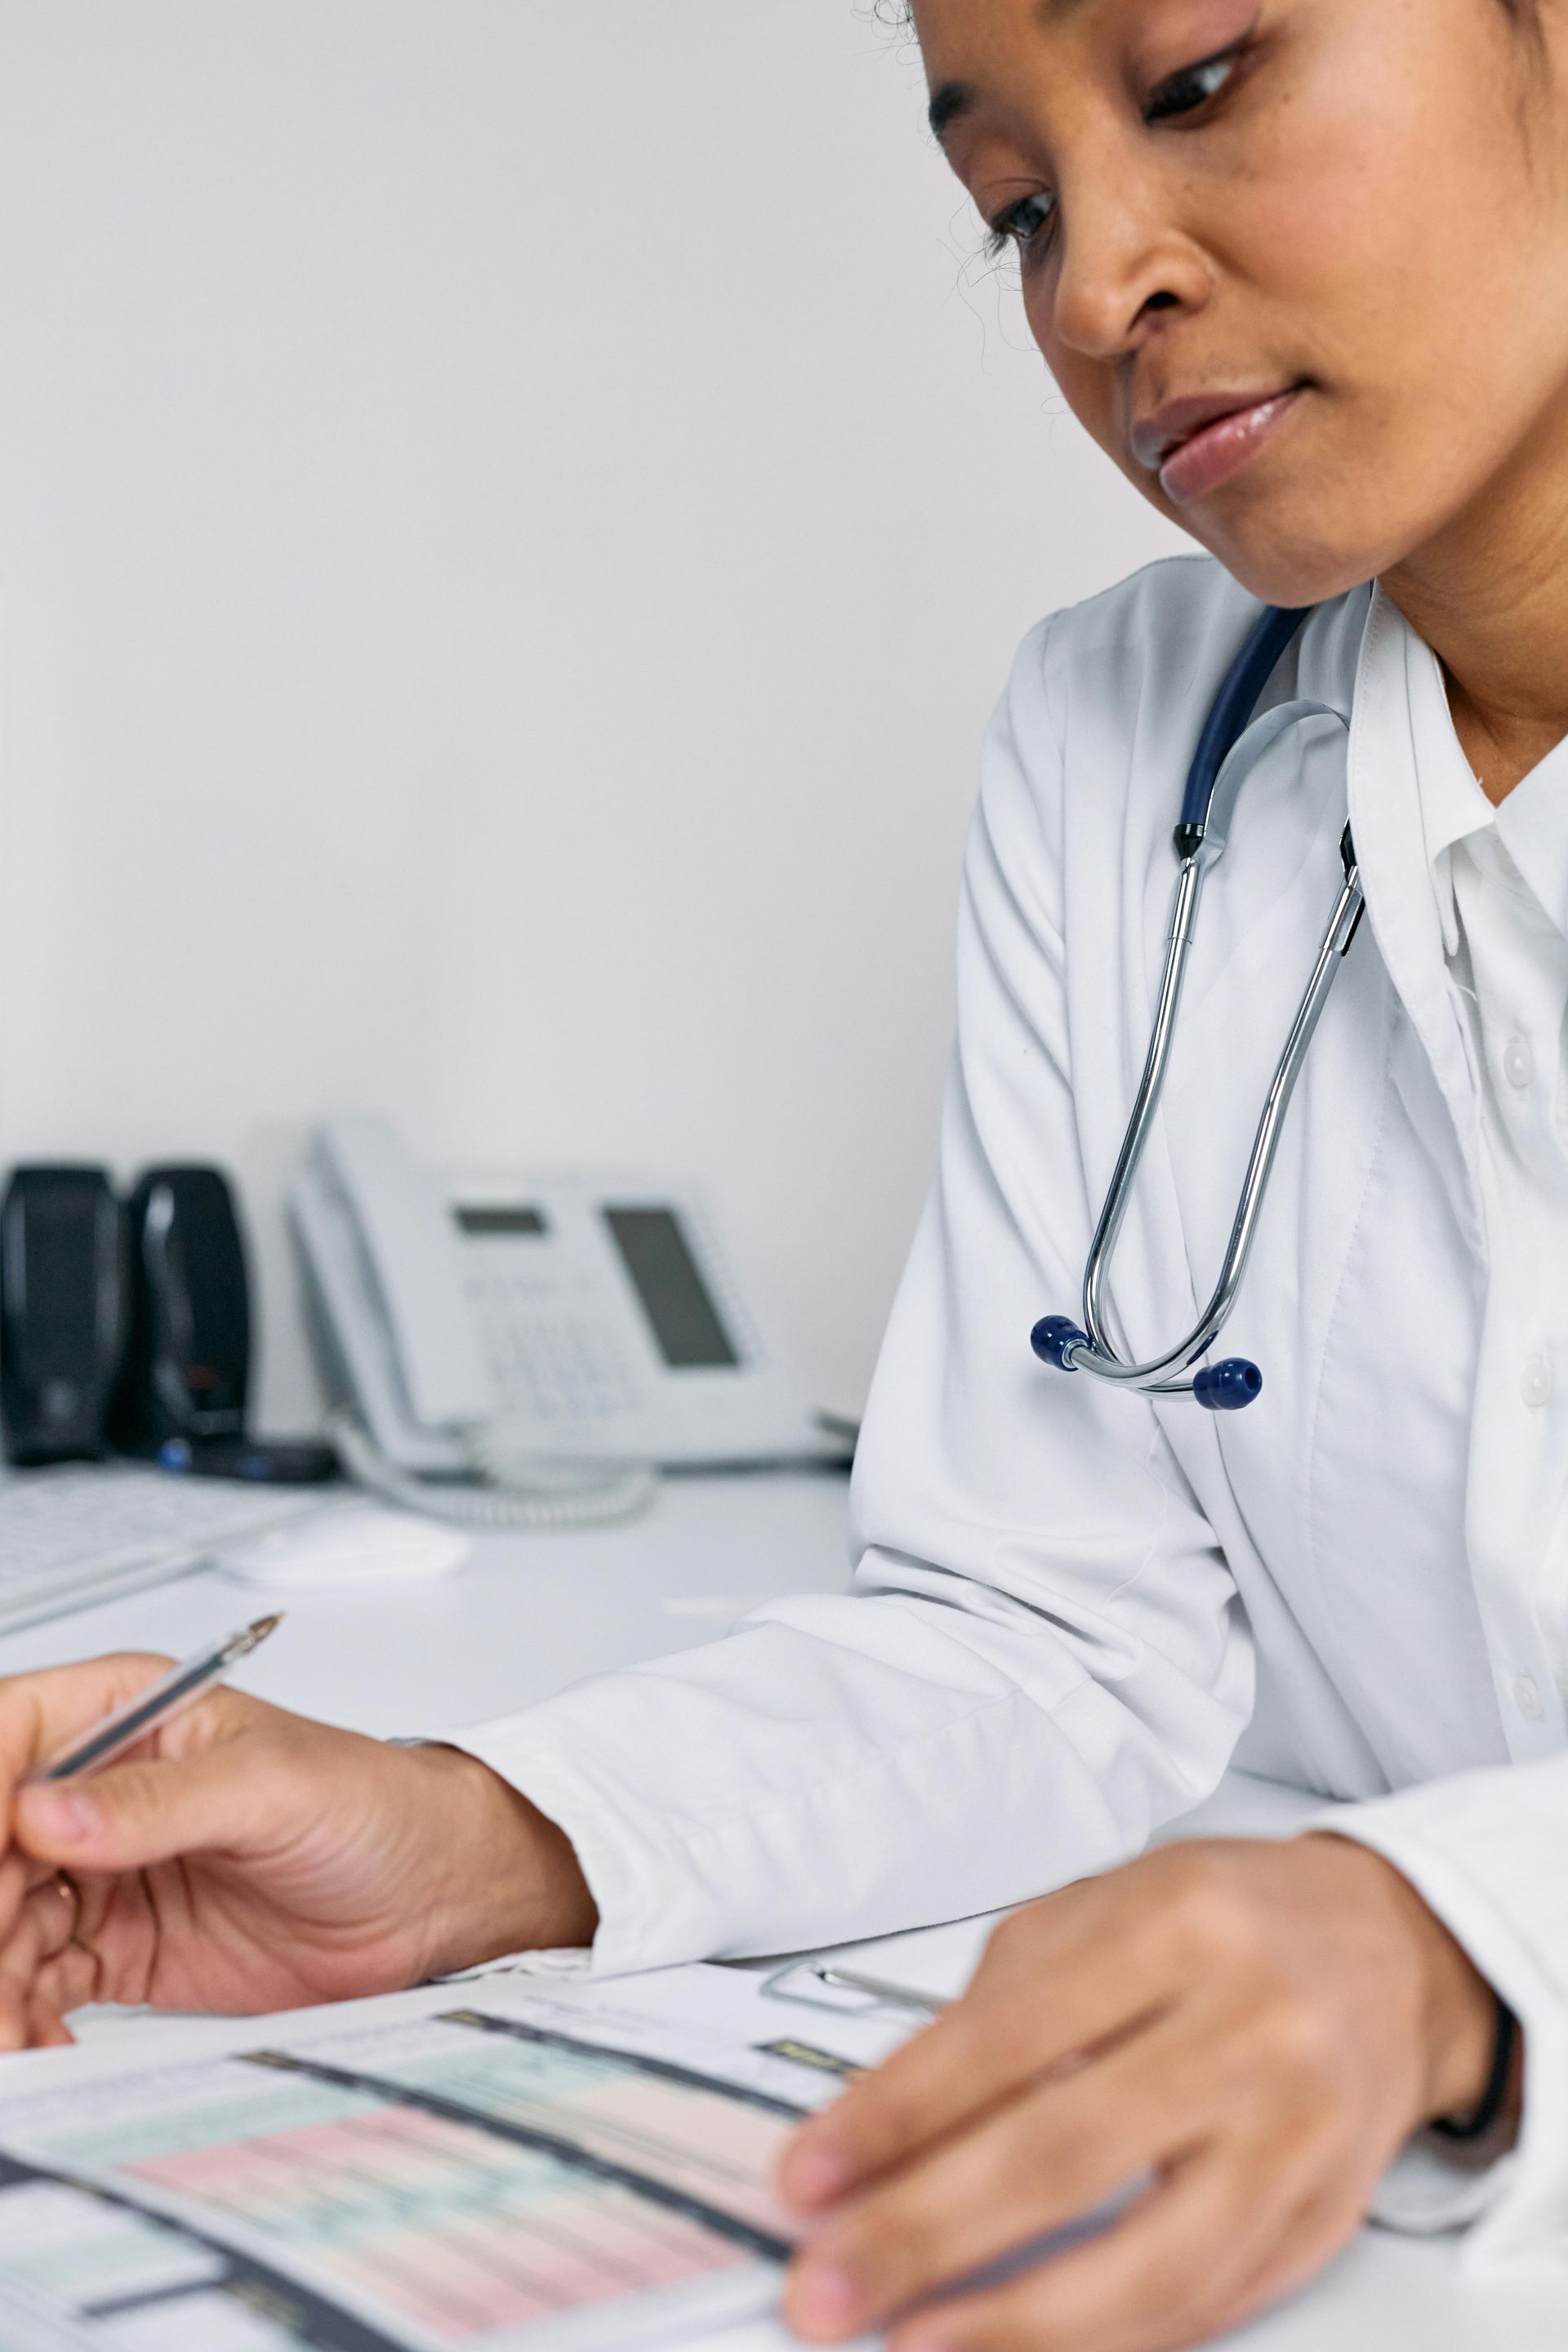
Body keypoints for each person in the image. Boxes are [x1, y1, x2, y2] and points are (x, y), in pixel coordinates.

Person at [4, 0, 1568, 2343]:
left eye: (1204, 79)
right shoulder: (1121, 729)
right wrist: (486, 1840)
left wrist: (1456, 1943)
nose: (1090, 288)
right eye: (1011, 209)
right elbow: (1051, 1639)